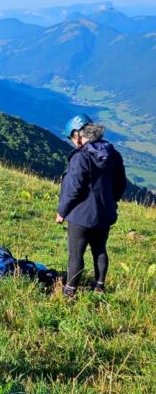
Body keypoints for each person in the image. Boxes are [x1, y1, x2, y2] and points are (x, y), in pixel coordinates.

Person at [56, 113, 127, 297]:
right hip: (105, 213)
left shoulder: (81, 157)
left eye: (71, 137)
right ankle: (99, 287)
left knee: (76, 254)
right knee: (100, 249)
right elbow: (120, 184)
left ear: (78, 135)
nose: (72, 141)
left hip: (80, 215)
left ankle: (69, 293)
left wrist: (61, 211)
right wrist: (110, 202)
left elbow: (73, 188)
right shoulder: (113, 154)